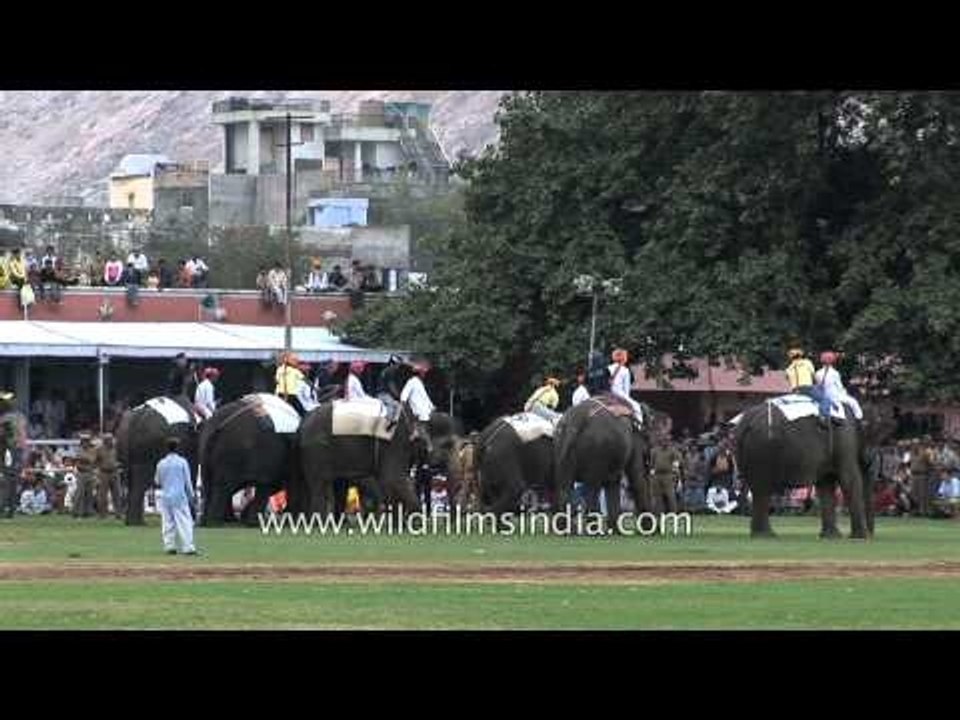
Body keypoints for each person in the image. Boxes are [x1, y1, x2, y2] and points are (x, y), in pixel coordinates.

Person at [153, 437, 198, 555]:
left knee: (167, 522)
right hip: (179, 497)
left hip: (166, 497)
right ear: (177, 448)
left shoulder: (161, 463)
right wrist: (192, 496)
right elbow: (187, 481)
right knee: (185, 522)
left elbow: (157, 481)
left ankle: (169, 546)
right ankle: (188, 547)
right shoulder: (182, 462)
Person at [0, 391, 28, 518]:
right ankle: (8, 507)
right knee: (9, 479)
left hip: (10, 449)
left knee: (9, 479)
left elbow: (20, 436)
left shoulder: (11, 417)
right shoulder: (15, 416)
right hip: (10, 449)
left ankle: (7, 507)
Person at [609, 348, 643, 426]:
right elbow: (626, 389)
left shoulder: (608, 368)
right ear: (623, 358)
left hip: (607, 393)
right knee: (637, 406)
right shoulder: (625, 370)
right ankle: (638, 427)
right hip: (619, 393)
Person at [649, 436, 681, 515]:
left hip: (668, 475)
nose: (665, 442)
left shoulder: (673, 451)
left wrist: (676, 475)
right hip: (657, 475)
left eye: (666, 440)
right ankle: (659, 513)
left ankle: (673, 513)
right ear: (660, 441)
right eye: (663, 440)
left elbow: (676, 463)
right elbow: (651, 464)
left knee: (670, 495)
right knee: (657, 496)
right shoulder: (654, 451)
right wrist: (651, 474)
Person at [95, 433, 122, 519]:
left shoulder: (116, 449)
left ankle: (118, 513)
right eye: (108, 440)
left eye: (111, 439)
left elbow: (121, 458)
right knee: (102, 495)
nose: (110, 441)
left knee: (117, 494)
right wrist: (98, 469)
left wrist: (118, 464)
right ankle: (102, 514)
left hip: (114, 472)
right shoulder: (99, 449)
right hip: (104, 473)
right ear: (104, 441)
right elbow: (95, 461)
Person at [72, 432, 98, 518]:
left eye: (87, 441)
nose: (85, 443)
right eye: (84, 441)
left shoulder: (93, 450)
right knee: (80, 493)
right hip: (81, 473)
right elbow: (77, 462)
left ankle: (88, 511)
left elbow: (92, 460)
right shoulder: (79, 450)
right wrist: (84, 461)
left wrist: (84, 460)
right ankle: (76, 511)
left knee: (89, 493)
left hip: (90, 473)